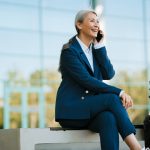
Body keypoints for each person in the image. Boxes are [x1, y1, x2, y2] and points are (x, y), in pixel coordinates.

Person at [55, 10, 142, 150]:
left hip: (88, 111)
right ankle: (137, 148)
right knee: (112, 99)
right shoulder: (69, 51)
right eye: (91, 21)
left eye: (97, 21)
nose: (96, 25)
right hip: (72, 110)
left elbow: (108, 73)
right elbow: (86, 80)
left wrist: (100, 46)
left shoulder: (94, 50)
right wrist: (119, 92)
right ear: (79, 24)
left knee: (108, 118)